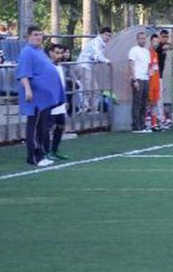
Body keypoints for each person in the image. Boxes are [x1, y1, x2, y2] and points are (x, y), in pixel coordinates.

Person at [15, 26, 64, 167]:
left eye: (40, 35)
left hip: (44, 98)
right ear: (28, 36)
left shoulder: (40, 51)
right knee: (34, 126)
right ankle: (33, 157)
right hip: (35, 97)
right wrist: (28, 90)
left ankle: (41, 154)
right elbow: (23, 73)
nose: (38, 37)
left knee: (42, 127)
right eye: (35, 34)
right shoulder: (27, 52)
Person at [76, 27, 112, 112]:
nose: (108, 37)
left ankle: (93, 109)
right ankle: (84, 109)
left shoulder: (103, 45)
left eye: (109, 36)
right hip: (83, 66)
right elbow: (97, 56)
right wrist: (107, 61)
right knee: (89, 88)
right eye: (106, 35)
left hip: (89, 68)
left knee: (95, 90)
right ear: (100, 34)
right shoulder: (96, 42)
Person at [45, 44, 70, 160]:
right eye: (57, 53)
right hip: (50, 103)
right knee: (47, 127)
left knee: (60, 126)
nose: (59, 56)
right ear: (50, 53)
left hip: (60, 102)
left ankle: (54, 150)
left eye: (61, 53)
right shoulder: (47, 67)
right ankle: (45, 151)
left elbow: (62, 85)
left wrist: (65, 100)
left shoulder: (60, 67)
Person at [128, 30, 151, 133]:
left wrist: (150, 74)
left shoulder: (147, 51)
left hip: (146, 79)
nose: (143, 40)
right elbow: (131, 65)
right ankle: (135, 126)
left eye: (144, 38)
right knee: (137, 103)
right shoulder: (134, 50)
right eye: (141, 38)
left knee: (144, 103)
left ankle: (142, 125)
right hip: (138, 79)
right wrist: (134, 80)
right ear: (137, 40)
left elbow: (148, 66)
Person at [147, 33, 165, 130]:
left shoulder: (155, 53)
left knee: (154, 103)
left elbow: (156, 69)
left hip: (156, 82)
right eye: (154, 41)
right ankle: (146, 123)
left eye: (157, 42)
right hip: (149, 82)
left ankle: (154, 124)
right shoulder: (147, 53)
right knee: (148, 103)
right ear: (150, 41)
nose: (156, 43)